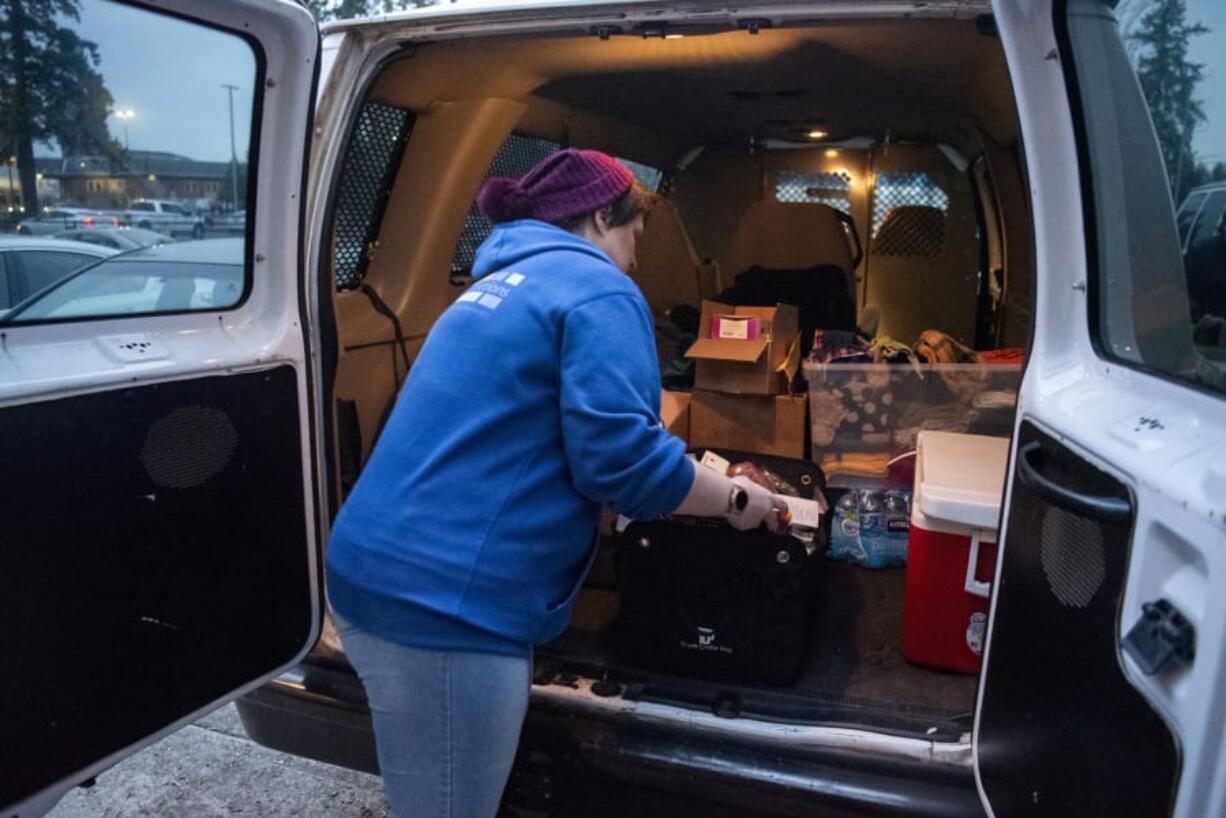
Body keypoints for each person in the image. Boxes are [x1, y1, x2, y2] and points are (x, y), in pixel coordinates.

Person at [325, 148, 784, 818]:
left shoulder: (497, 285)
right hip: (444, 609)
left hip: (372, 570)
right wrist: (739, 500)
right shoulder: (597, 288)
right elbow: (625, 464)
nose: (633, 259)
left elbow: (531, 440)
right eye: (634, 237)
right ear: (602, 216)